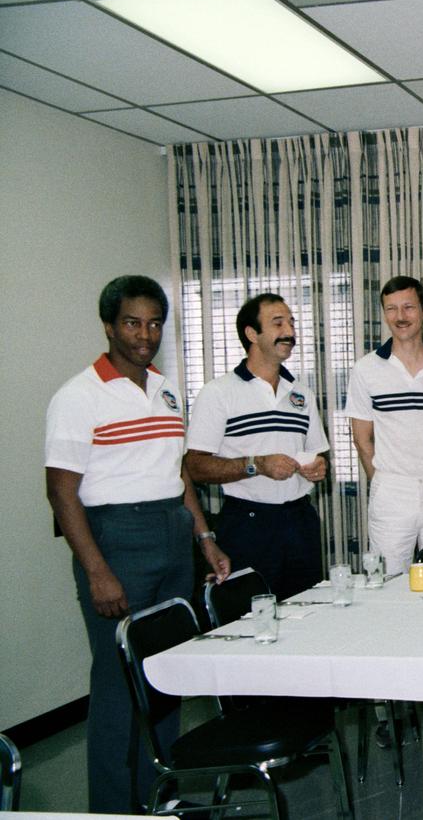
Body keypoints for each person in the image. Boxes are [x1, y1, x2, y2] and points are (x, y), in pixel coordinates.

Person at [45, 275, 230, 814]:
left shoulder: (165, 388)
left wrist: (205, 539)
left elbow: (178, 474)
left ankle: (162, 797)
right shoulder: (78, 396)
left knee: (165, 673)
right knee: (118, 685)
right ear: (108, 326)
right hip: (116, 539)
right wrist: (98, 571)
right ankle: (112, 810)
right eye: (132, 322)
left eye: (153, 323)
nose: (144, 334)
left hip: (172, 531)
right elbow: (60, 493)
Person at [185, 293, 330, 601]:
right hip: (247, 525)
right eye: (278, 323)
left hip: (300, 522)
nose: (290, 332)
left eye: (291, 322)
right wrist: (256, 464)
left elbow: (318, 453)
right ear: (252, 334)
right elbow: (194, 467)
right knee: (248, 621)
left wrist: (319, 467)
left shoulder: (302, 394)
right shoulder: (218, 393)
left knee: (308, 617)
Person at [344, 276, 423, 575]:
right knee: (389, 582)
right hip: (391, 490)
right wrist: (388, 482)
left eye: (408, 307)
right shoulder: (366, 369)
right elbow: (362, 440)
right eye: (391, 309)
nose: (400, 317)